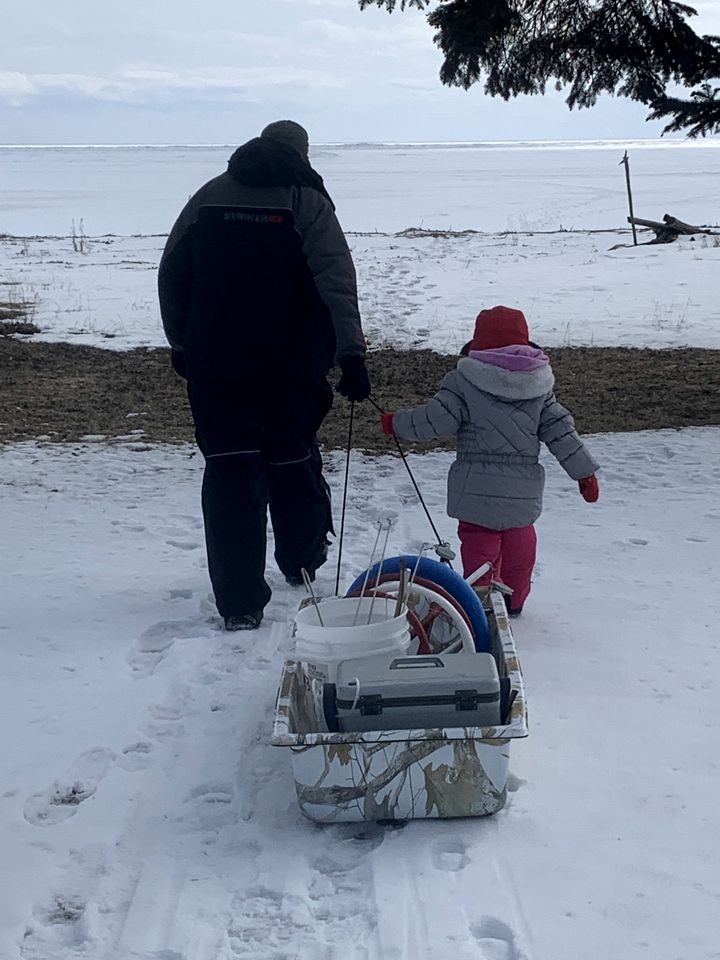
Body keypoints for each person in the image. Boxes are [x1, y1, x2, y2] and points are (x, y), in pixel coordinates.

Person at [158, 120, 370, 631]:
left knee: (230, 469)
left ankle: (239, 604)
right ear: (301, 153)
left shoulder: (208, 196)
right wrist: (351, 355)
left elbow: (171, 273)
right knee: (292, 459)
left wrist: (181, 341)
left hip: (216, 362)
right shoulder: (307, 202)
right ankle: (303, 562)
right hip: (290, 365)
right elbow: (337, 280)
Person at [380, 305, 599, 616]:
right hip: (521, 493)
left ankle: (482, 604)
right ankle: (515, 601)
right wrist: (584, 473)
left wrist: (396, 423)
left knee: (480, 549)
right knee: (520, 546)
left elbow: (435, 420)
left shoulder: (464, 379)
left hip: (475, 490)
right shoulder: (539, 384)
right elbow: (561, 431)